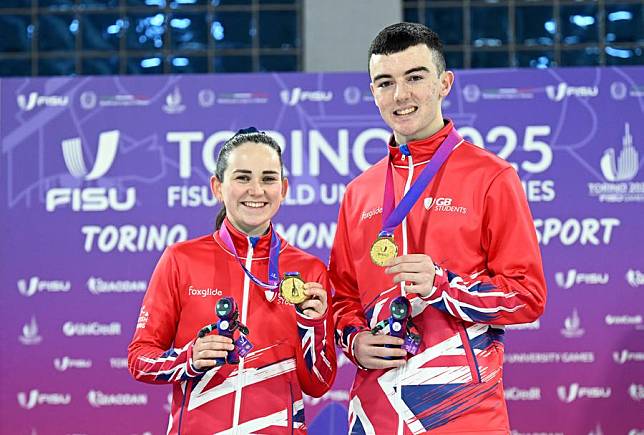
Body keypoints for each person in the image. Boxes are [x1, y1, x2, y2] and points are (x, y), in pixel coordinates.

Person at [329, 22, 546, 434]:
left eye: (415, 77)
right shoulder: (359, 191)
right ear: (373, 93)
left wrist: (442, 286)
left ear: (445, 83)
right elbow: (342, 298)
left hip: (462, 415)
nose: (401, 95)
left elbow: (528, 297)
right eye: (385, 82)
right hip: (375, 415)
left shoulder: (492, 177)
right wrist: (354, 341)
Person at [128, 128, 336, 435]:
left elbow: (318, 383)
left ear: (284, 188)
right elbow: (140, 360)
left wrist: (312, 326)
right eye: (242, 178)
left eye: (268, 178)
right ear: (217, 186)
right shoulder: (180, 259)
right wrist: (189, 359)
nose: (256, 190)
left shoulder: (308, 270)